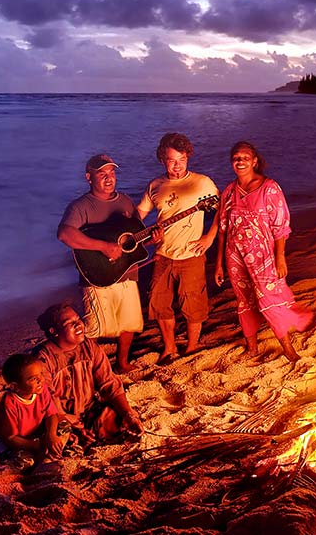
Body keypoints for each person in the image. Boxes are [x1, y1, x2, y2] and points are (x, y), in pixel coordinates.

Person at [214, 140, 314, 362]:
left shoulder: (269, 188)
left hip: (264, 255)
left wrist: (280, 257)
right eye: (236, 158)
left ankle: (288, 349)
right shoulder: (229, 191)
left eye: (245, 157)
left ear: (255, 161)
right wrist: (219, 263)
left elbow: (281, 227)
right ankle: (252, 348)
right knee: (244, 300)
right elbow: (223, 229)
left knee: (268, 298)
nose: (240, 161)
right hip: (235, 255)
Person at [56, 153, 143, 373]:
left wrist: (154, 238)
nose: (108, 178)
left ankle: (121, 363)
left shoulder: (124, 201)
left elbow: (135, 236)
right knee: (95, 326)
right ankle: (91, 369)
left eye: (111, 172)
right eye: (101, 173)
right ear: (89, 177)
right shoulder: (80, 206)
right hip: (95, 274)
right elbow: (65, 235)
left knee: (129, 322)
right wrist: (102, 246)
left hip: (127, 271)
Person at [136, 132, 218, 364]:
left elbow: (223, 210)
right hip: (162, 255)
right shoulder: (155, 185)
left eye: (182, 160)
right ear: (162, 158)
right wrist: (145, 238)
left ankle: (192, 347)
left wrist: (209, 238)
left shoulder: (202, 182)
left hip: (191, 254)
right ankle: (169, 347)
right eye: (172, 160)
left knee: (192, 303)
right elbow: (136, 218)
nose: (178, 166)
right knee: (159, 303)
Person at [33, 302, 143, 444]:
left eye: (78, 320)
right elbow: (47, 400)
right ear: (54, 331)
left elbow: (108, 382)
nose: (78, 325)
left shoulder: (89, 346)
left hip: (89, 410)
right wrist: (72, 425)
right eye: (69, 323)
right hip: (59, 417)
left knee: (125, 422)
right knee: (58, 440)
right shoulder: (43, 359)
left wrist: (128, 414)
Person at [0, 352, 70, 468]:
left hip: (32, 430)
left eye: (41, 374)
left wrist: (51, 435)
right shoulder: (9, 405)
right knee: (25, 463)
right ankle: (44, 457)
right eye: (33, 379)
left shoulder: (41, 389)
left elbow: (51, 414)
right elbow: (10, 438)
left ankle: (52, 453)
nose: (40, 380)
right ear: (15, 386)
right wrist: (37, 446)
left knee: (63, 425)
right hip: (12, 439)